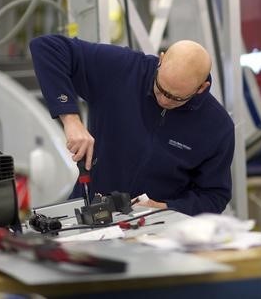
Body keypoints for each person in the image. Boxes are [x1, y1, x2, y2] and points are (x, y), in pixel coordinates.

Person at [29, 34, 235, 215]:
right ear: (161, 60)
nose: (163, 100)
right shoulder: (123, 69)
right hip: (90, 213)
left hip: (159, 230)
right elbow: (46, 47)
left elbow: (214, 196)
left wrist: (166, 207)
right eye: (160, 88)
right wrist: (71, 119)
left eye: (176, 98)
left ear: (201, 88)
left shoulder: (217, 127)